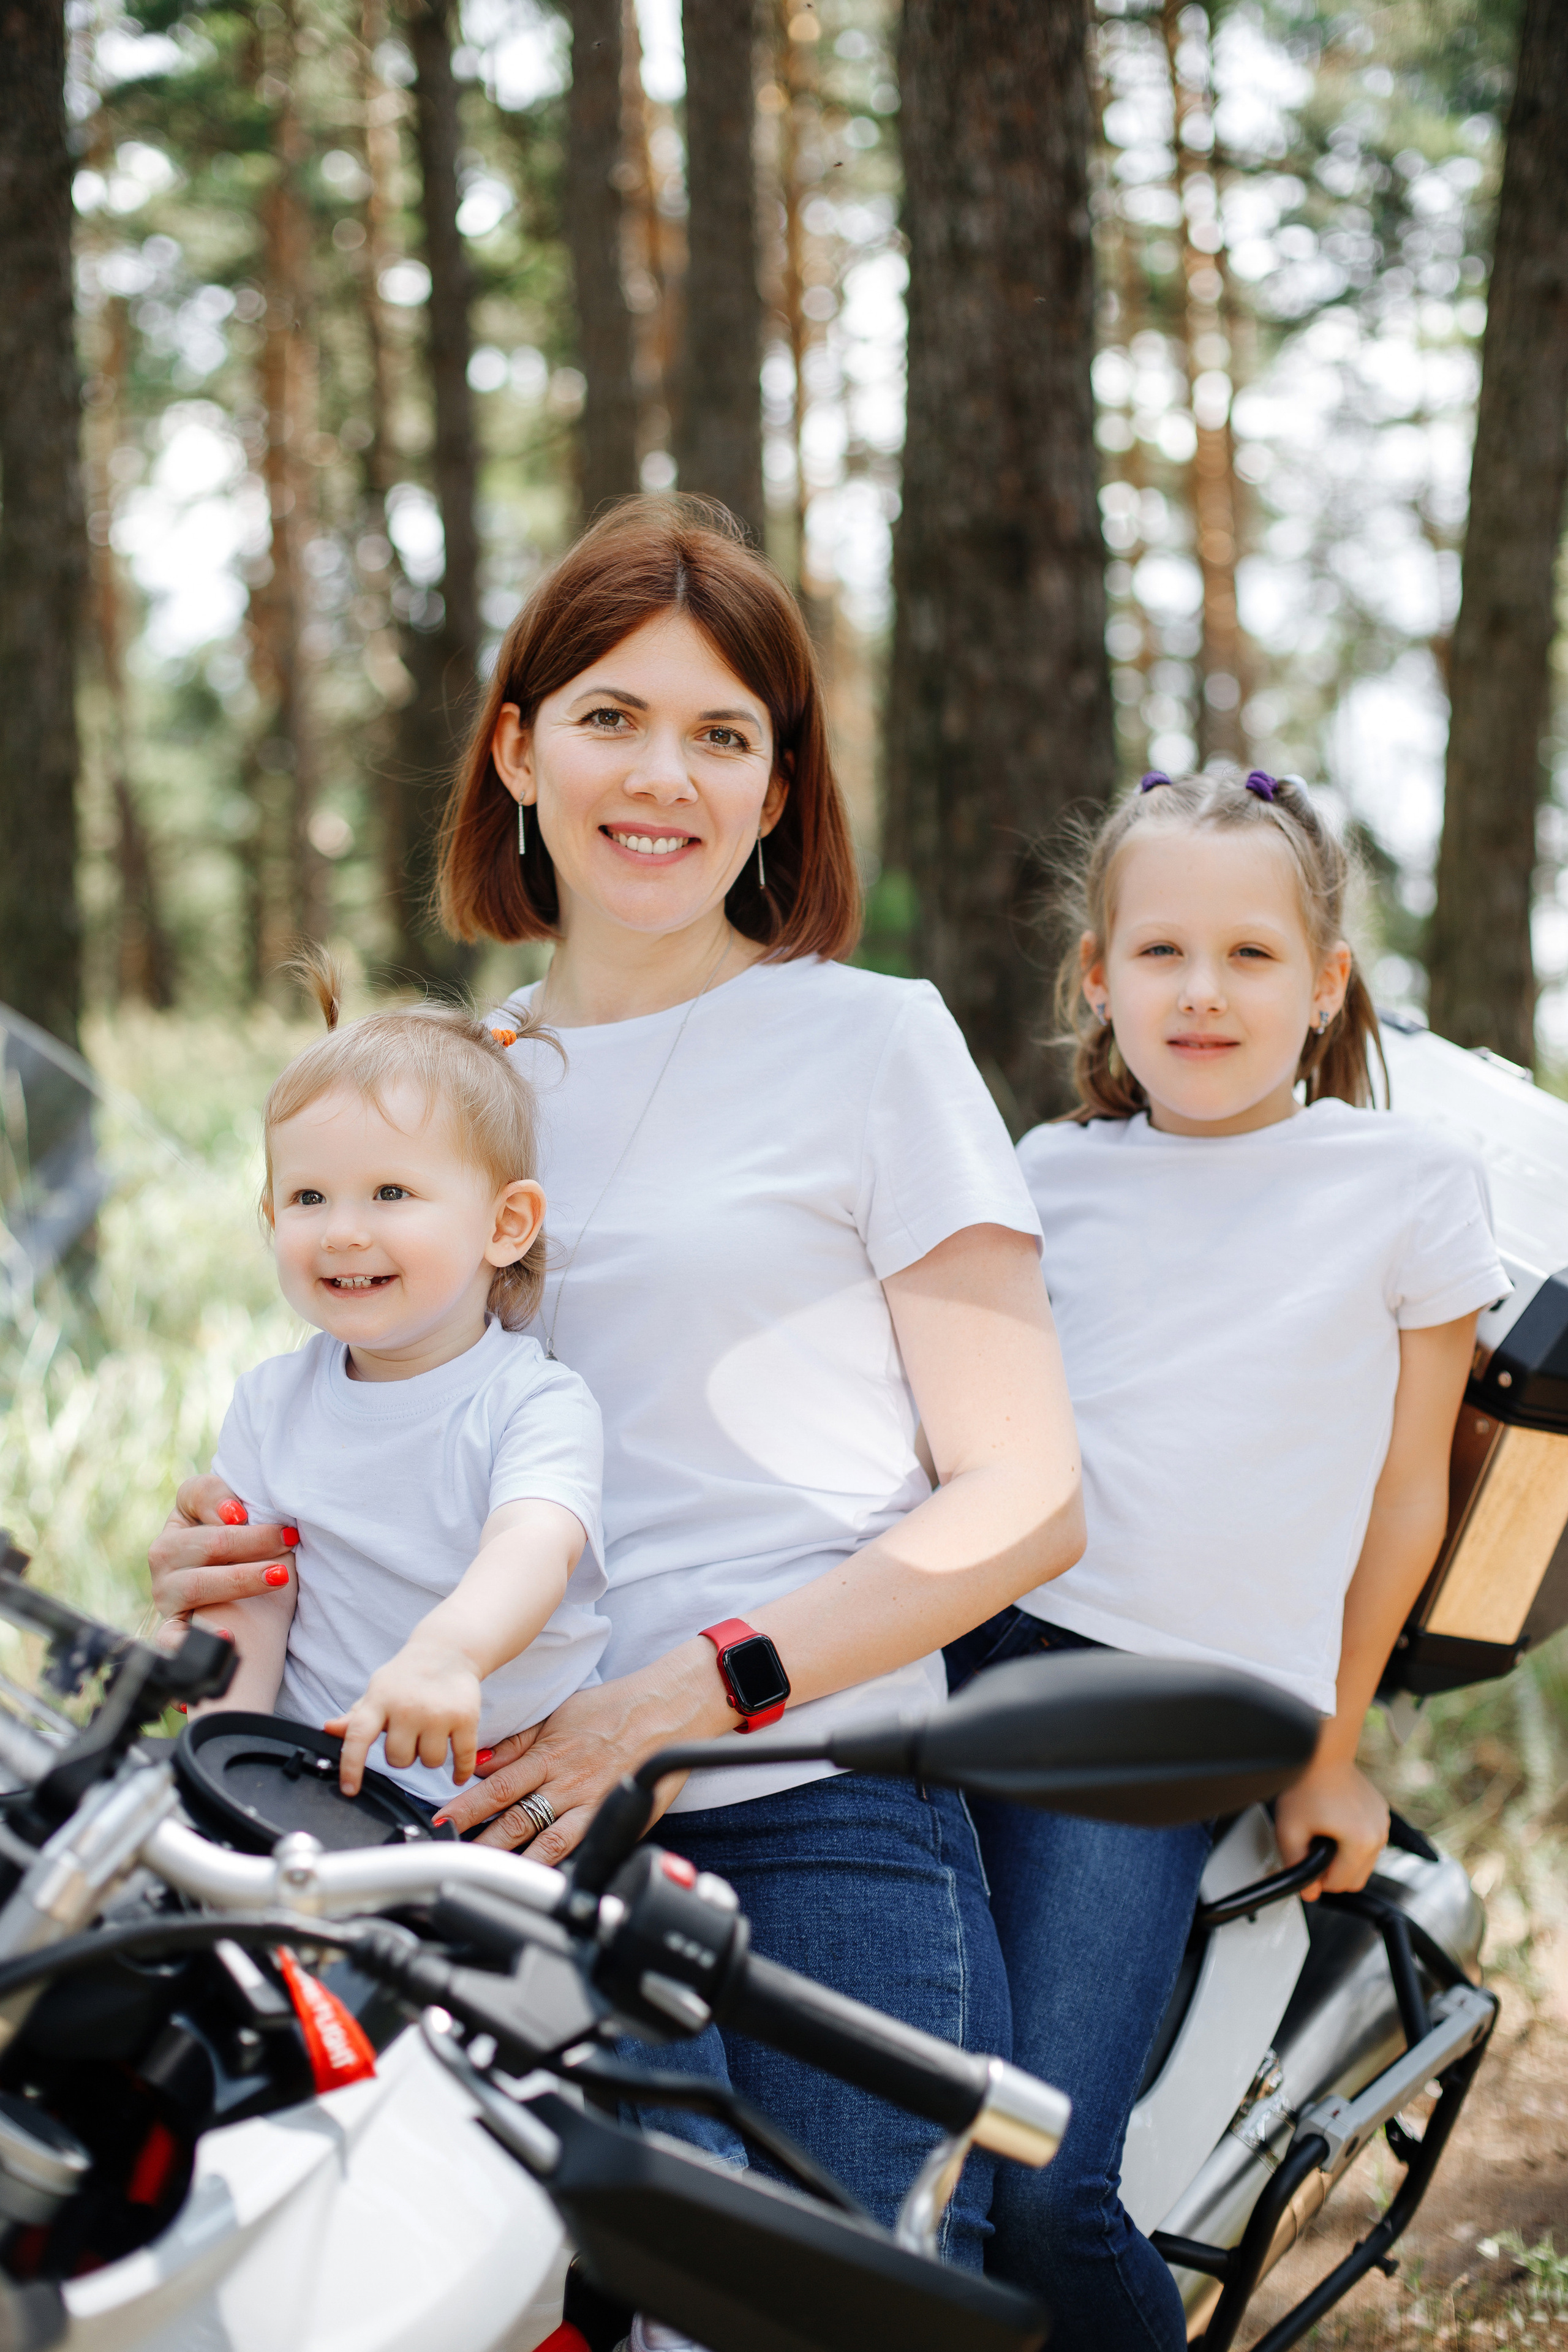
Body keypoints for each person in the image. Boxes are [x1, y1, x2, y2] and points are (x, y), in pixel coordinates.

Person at [148, 496, 1086, 2271]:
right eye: (611, 717)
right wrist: (233, 1559)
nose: (664, 777)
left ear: (779, 792)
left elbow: (1028, 1496)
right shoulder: (449, 1088)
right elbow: (374, 1418)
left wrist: (685, 1692)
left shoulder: (872, 1040)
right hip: (472, 1840)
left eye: (724, 734)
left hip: (811, 1812)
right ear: (516, 748)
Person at [944, 767, 1507, 2350]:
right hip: (967, 1654)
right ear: (1100, 978)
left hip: (1165, 1718)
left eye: (1254, 956)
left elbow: (1408, 1496)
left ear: (1325, 985)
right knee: (920, 2152)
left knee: (1049, 2187)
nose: (1204, 993)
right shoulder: (1045, 1179)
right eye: (1162, 953)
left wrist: (1330, 1752)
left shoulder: (1407, 1190)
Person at [161, 949, 606, 1812]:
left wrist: (450, 1652)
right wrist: (218, 1769)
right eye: (308, 1198)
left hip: (491, 1813)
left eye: (392, 1192)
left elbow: (533, 1547)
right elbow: (253, 1596)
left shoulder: (531, 1403)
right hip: (308, 1797)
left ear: (506, 1223)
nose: (343, 1232)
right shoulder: (270, 1404)